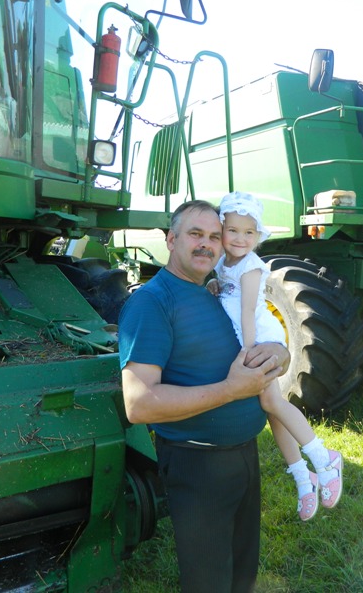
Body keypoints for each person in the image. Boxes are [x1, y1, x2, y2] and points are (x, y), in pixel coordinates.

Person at [119, 199, 291, 593]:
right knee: (209, 581)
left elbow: (257, 337)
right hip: (197, 463)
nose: (206, 244)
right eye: (195, 234)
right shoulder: (152, 303)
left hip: (244, 455)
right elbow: (138, 404)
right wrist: (230, 391)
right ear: (171, 239)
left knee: (242, 571)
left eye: (215, 236)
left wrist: (280, 353)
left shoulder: (217, 292)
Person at [210, 192, 343, 521]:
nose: (240, 239)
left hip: (258, 339)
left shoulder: (251, 267)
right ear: (222, 230)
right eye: (233, 230)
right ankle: (304, 478)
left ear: (258, 236)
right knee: (271, 410)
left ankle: (324, 458)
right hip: (245, 338)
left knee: (272, 402)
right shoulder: (223, 263)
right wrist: (214, 285)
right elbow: (225, 294)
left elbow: (247, 312)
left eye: (249, 233)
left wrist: (246, 353)